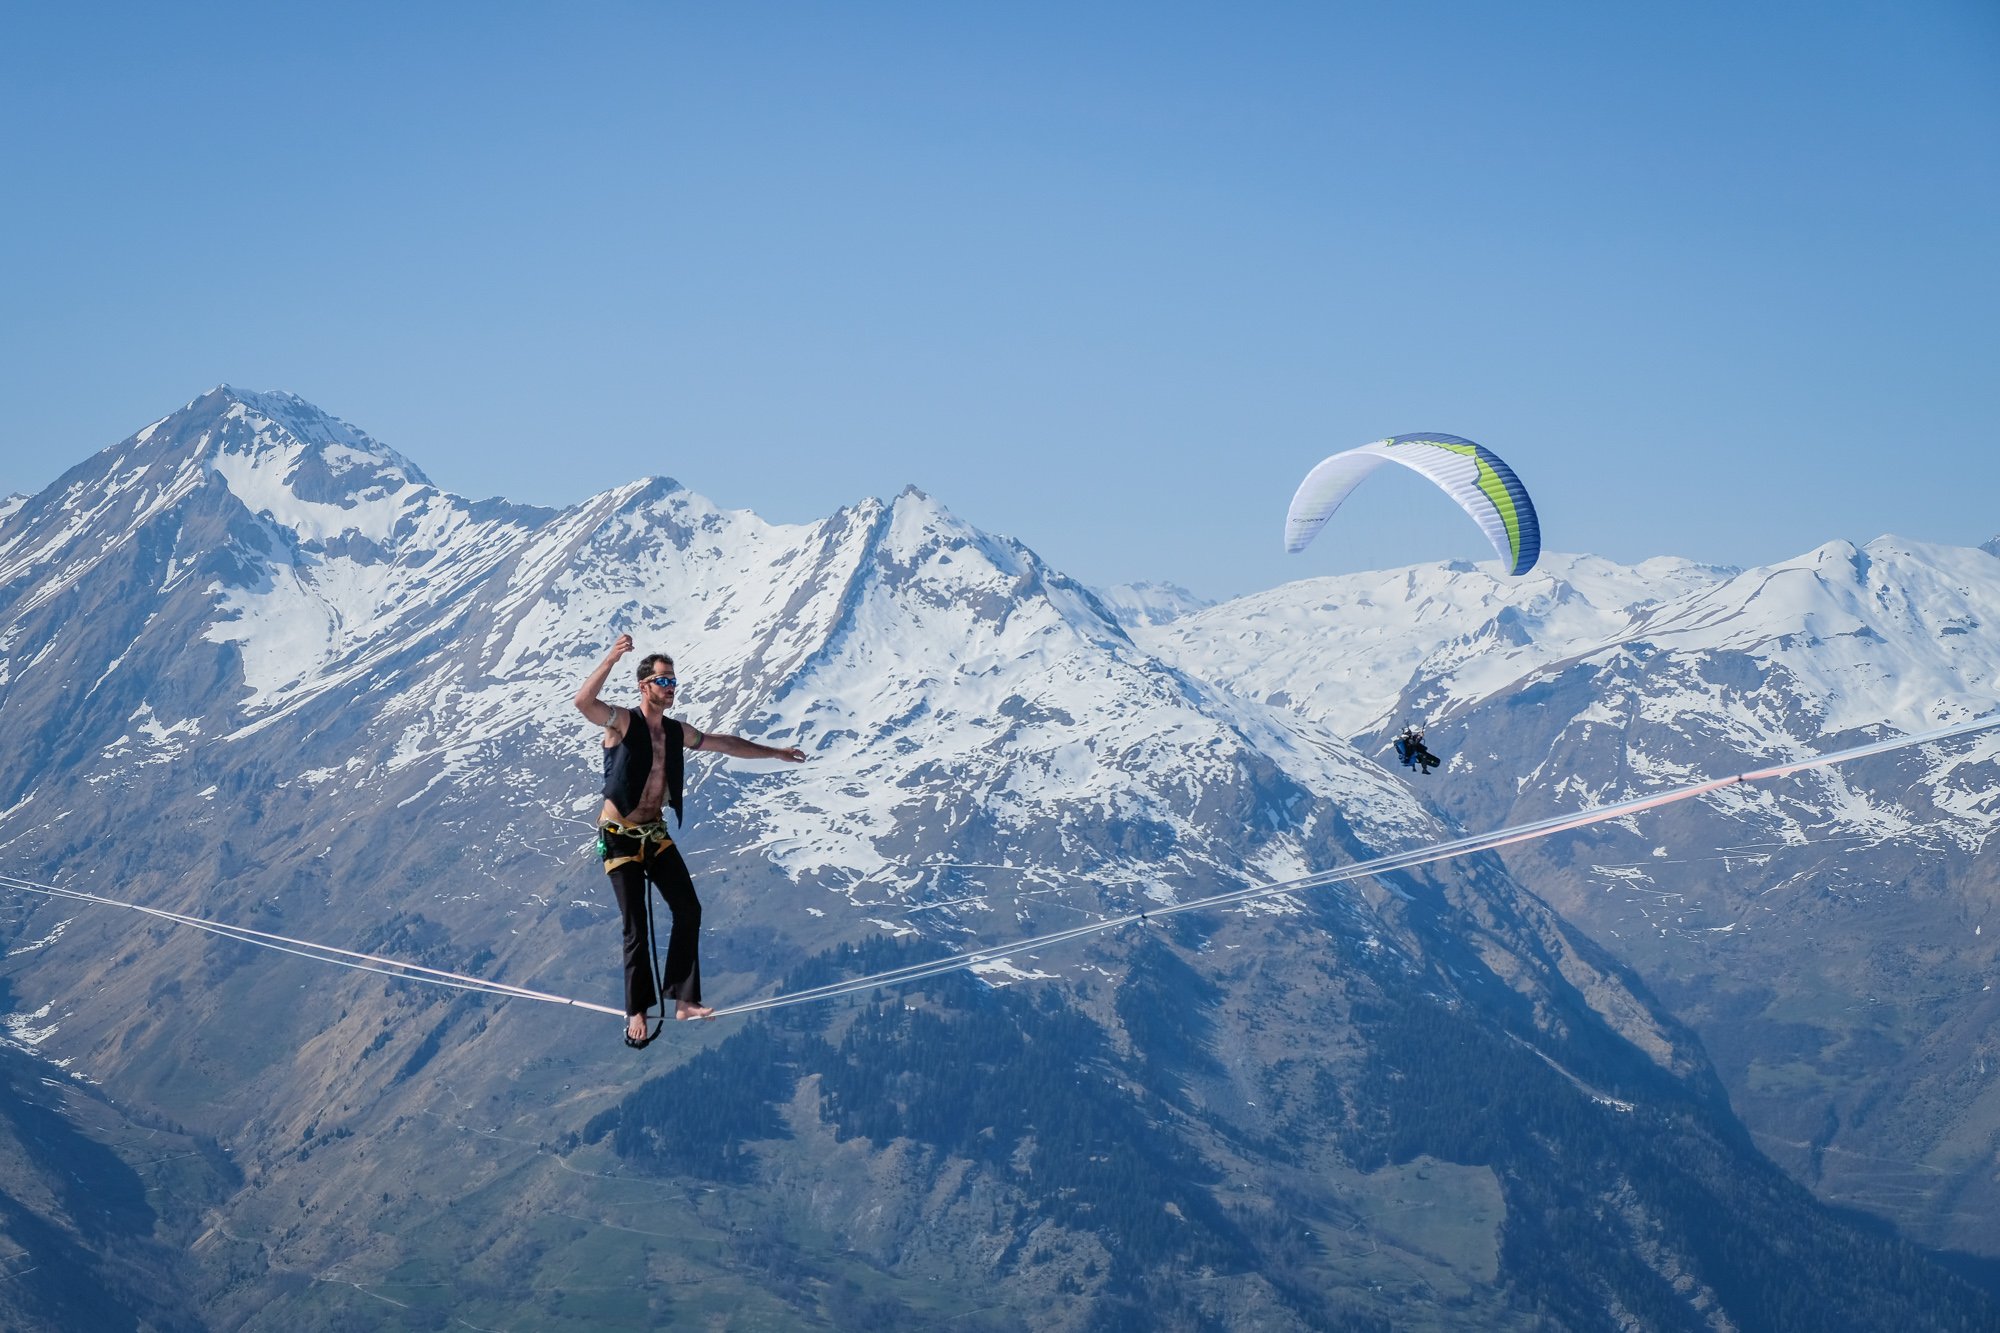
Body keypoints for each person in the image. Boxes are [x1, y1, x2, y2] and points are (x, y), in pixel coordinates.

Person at [573, 633, 806, 1044]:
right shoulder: (623, 722)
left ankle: (683, 1000)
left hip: (655, 834)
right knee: (636, 927)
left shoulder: (678, 733)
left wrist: (775, 752)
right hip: (620, 838)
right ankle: (637, 1011)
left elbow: (724, 744)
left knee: (689, 908)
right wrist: (610, 659)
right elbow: (583, 704)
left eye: (673, 681)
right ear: (644, 686)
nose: (671, 688)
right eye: (663, 681)